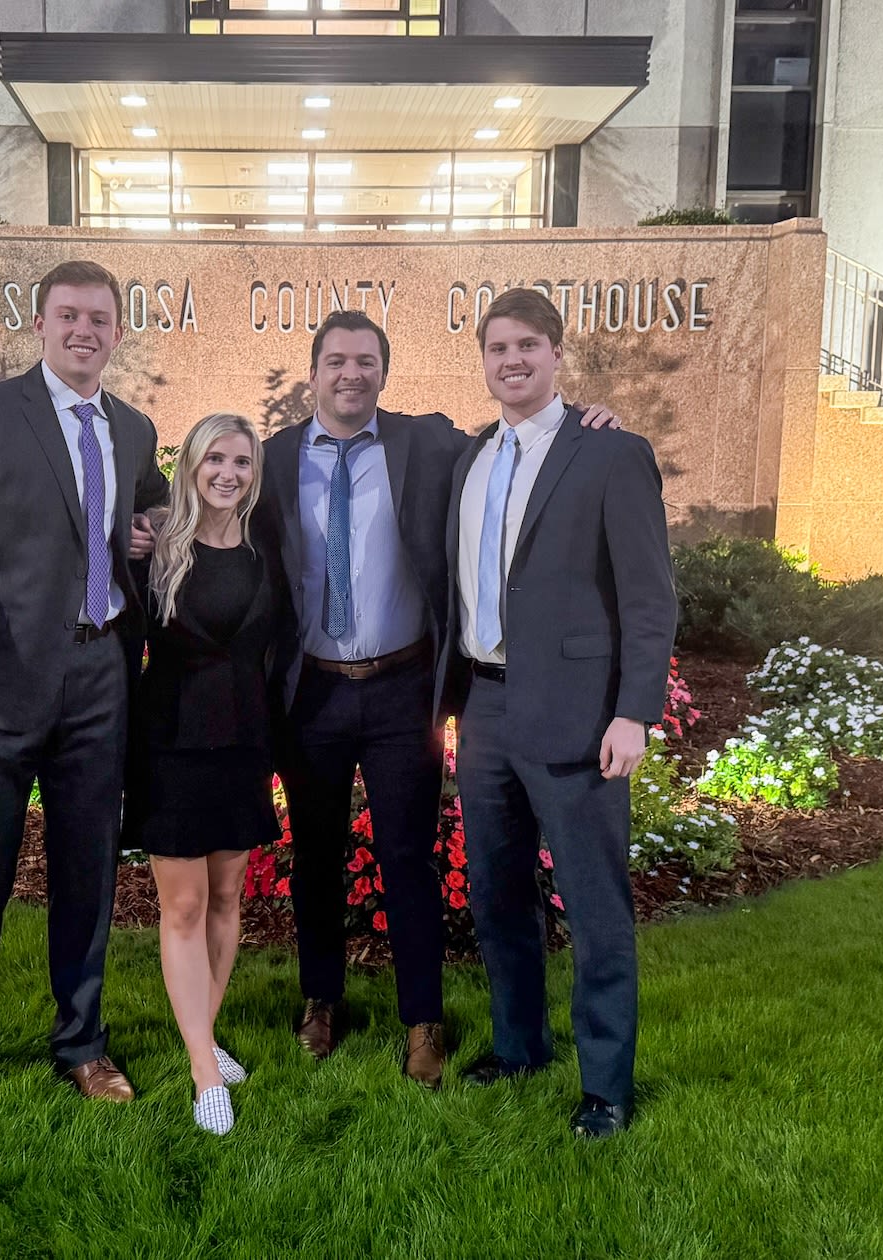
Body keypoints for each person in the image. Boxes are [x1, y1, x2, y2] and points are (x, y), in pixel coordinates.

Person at [255, 309, 617, 1089]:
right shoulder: (274, 459)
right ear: (313, 372)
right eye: (336, 361)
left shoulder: (430, 444)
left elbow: (530, 440)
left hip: (401, 689)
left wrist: (589, 417)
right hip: (310, 692)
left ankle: (423, 1018)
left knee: (408, 857)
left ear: (385, 372)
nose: (351, 374)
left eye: (366, 362)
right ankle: (321, 999)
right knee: (314, 857)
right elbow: (217, 519)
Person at [0, 258, 168, 1130]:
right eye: (69, 316)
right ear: (42, 322)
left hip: (101, 677)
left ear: (118, 330)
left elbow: (162, 511)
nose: (84, 330)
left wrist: (152, 528)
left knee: (88, 872)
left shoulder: (134, 429)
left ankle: (82, 1043)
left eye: (100, 317)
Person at [440, 287, 676, 1138]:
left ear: (556, 353)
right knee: (498, 898)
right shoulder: (469, 459)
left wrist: (633, 714)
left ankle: (607, 1087)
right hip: (487, 709)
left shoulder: (610, 454)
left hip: (579, 720)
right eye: (498, 347)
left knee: (594, 905)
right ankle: (519, 1047)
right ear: (485, 358)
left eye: (529, 346)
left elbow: (650, 600)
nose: (513, 360)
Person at [125, 412, 280, 1136]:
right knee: (183, 909)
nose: (228, 473)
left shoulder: (265, 547)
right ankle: (203, 1072)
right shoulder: (156, 547)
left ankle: (203, 1038)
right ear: (189, 465)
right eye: (214, 458)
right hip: (173, 744)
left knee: (226, 900)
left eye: (242, 462)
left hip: (245, 743)